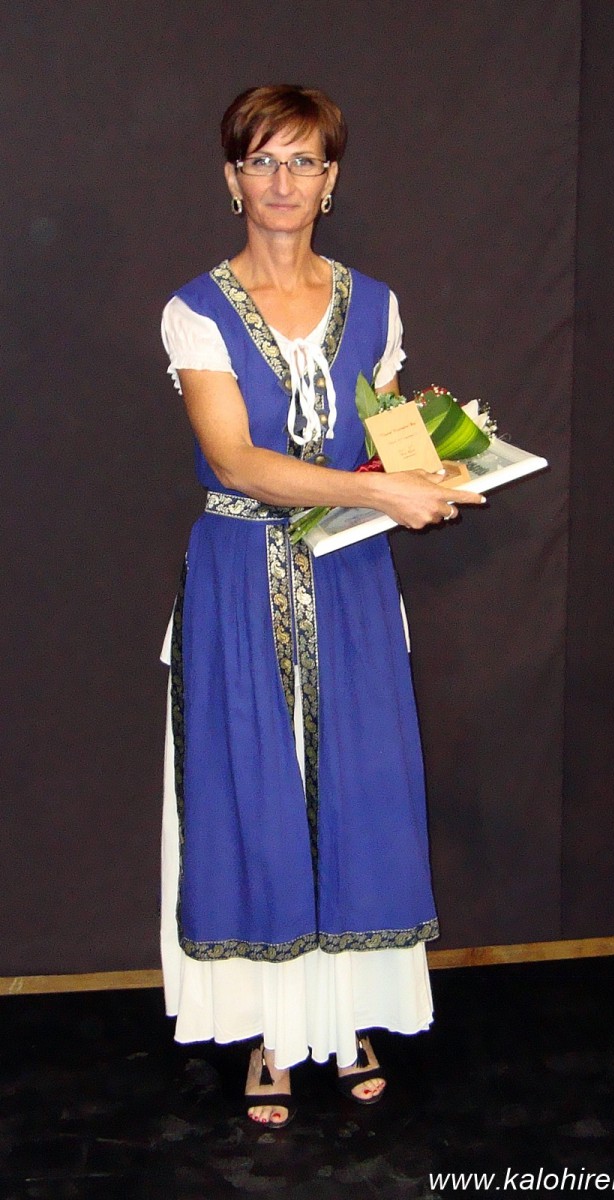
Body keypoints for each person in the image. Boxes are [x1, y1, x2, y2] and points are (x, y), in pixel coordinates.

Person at [160, 84, 484, 1128]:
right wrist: (381, 494)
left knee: (356, 787)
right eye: (262, 160)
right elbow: (237, 461)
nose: (282, 181)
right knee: (253, 790)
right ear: (232, 178)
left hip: (346, 575)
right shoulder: (195, 309)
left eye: (303, 161)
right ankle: (269, 1028)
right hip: (238, 577)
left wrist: (442, 466)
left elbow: (381, 436)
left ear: (331, 180)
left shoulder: (375, 304)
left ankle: (344, 1021)